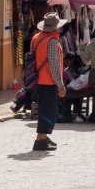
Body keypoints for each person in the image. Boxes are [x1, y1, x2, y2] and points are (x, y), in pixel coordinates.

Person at [30, 13, 67, 151]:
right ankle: (40, 140)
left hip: (37, 80)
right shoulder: (52, 41)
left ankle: (44, 137)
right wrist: (60, 85)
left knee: (44, 109)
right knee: (48, 111)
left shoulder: (35, 38)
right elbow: (54, 65)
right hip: (48, 81)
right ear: (55, 28)